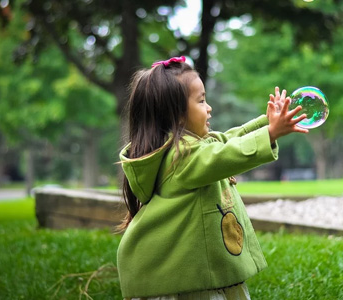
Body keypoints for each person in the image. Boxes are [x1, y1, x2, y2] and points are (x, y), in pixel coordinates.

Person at [117, 56, 308, 300]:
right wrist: (270, 133)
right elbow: (226, 153)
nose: (209, 107)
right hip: (190, 286)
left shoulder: (189, 148)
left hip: (197, 277)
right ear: (177, 115)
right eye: (201, 100)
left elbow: (226, 140)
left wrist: (266, 125)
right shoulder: (182, 157)